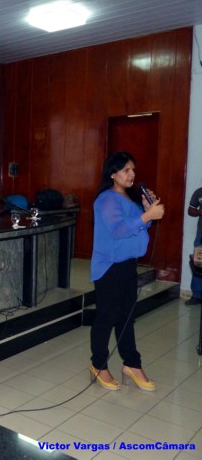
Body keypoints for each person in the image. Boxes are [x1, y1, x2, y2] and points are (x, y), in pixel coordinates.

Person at [89, 151, 164, 392]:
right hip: (110, 267)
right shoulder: (106, 199)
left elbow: (140, 226)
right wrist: (147, 215)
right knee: (107, 317)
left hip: (128, 265)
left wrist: (145, 210)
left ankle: (131, 363)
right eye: (126, 170)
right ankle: (98, 364)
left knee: (126, 318)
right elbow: (120, 230)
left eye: (133, 170)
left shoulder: (129, 200)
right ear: (113, 174)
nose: (132, 174)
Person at [186, 185, 202, 305]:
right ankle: (196, 295)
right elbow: (190, 210)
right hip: (201, 236)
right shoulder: (199, 192)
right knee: (198, 264)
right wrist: (200, 212)